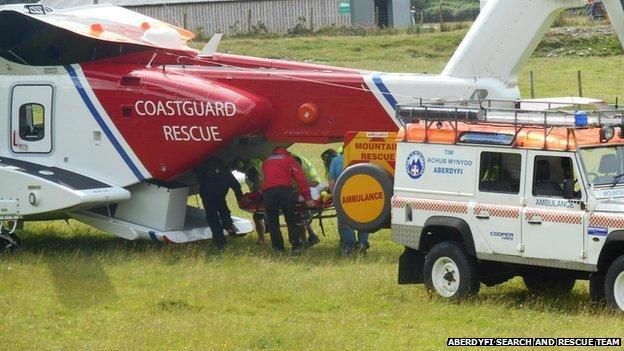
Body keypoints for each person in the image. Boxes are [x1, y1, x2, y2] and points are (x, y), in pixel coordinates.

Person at [262, 146, 315, 254]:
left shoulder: (266, 161)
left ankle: (278, 248)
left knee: (272, 221)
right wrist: (307, 198)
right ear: (286, 152)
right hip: (285, 191)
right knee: (291, 219)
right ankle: (296, 246)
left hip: (269, 193)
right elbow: (301, 179)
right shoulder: (289, 159)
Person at [328, 148, 369, 255]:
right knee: (363, 221)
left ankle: (350, 248)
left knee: (345, 222)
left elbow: (332, 182)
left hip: (343, 196)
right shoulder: (362, 159)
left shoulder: (335, 161)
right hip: (362, 196)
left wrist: (334, 197)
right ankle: (362, 244)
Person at [196, 157, 243, 250]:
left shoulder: (201, 164)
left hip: (208, 191)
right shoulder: (223, 166)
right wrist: (240, 199)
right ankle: (229, 226)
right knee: (222, 207)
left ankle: (220, 242)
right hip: (221, 190)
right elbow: (235, 185)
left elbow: (198, 175)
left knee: (212, 216)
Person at [293, 154, 322, 247]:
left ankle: (306, 239)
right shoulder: (287, 168)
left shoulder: (307, 168)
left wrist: (303, 186)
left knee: (299, 212)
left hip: (307, 193)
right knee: (300, 212)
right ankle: (311, 235)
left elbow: (316, 181)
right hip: (300, 194)